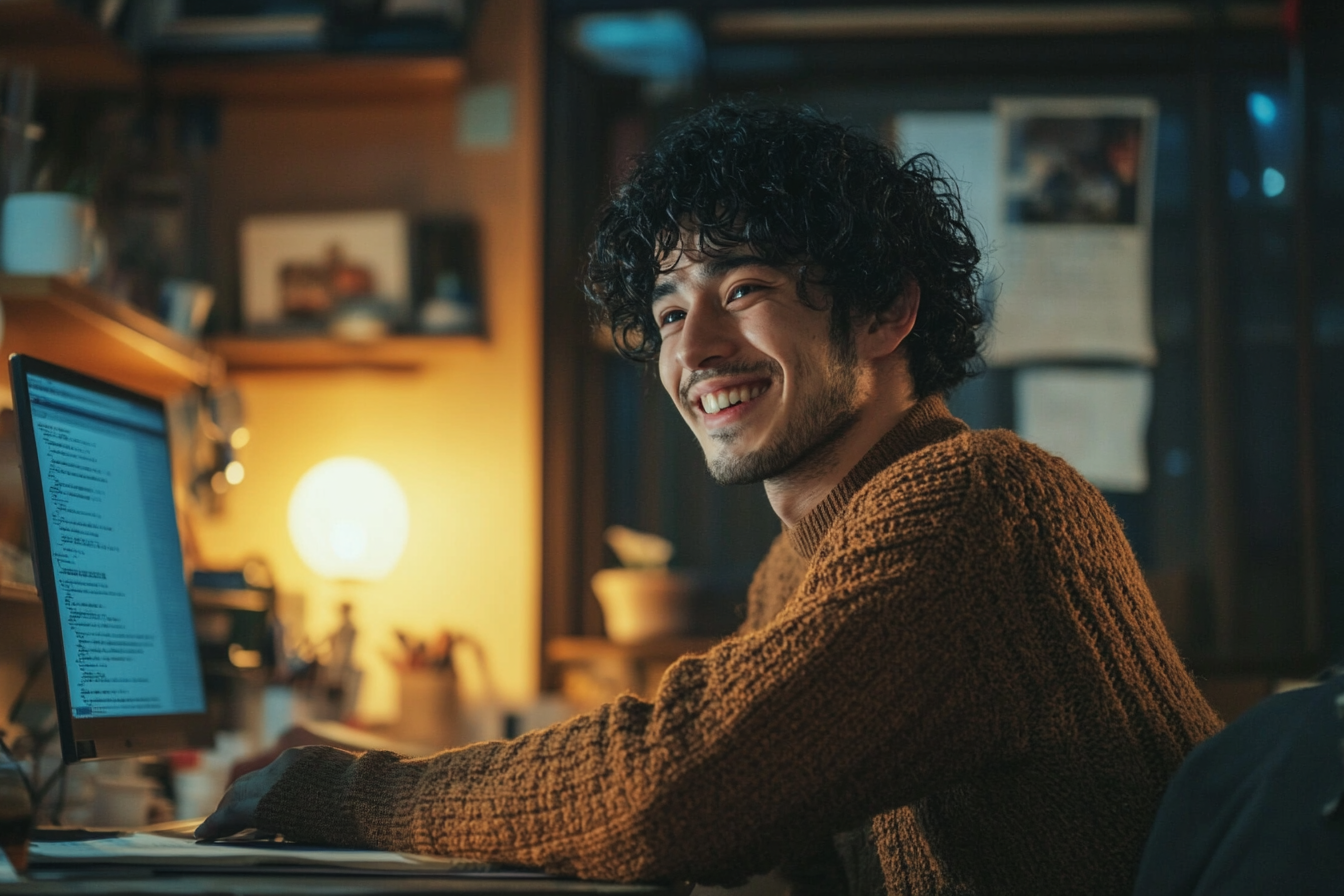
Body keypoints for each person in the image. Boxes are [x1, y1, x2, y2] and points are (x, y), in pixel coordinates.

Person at [198, 101, 1222, 895]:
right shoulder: (804, 561)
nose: (692, 351)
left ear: (887, 309)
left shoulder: (975, 505)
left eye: (743, 291)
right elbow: (747, 813)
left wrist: (344, 788)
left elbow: (673, 786)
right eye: (669, 308)